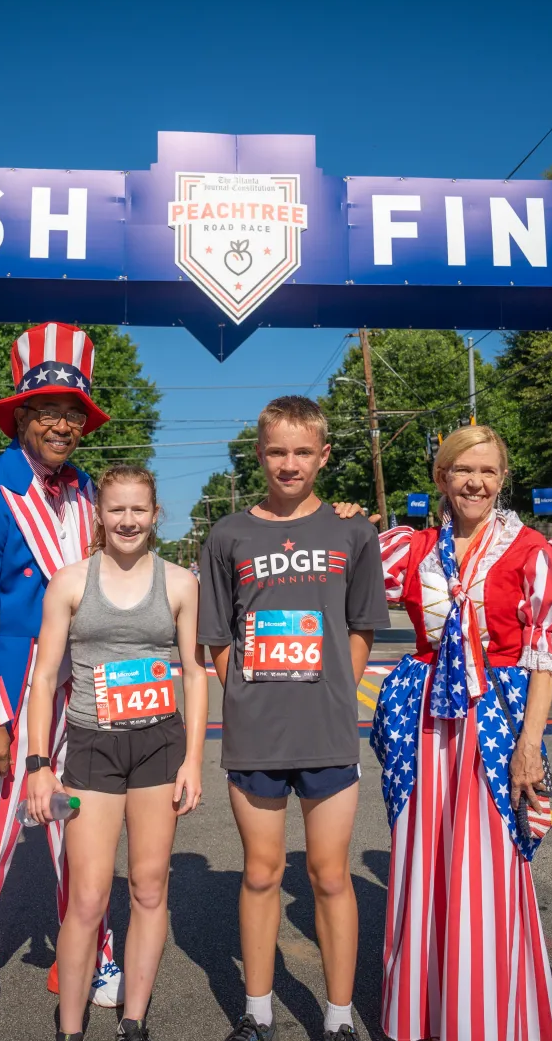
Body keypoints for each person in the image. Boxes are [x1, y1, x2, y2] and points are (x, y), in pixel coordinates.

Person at [0, 323, 124, 1041]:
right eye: (45, 408)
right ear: (19, 414)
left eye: (72, 410)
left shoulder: (88, 496)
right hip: (3, 706)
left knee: (82, 839)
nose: (60, 422)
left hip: (76, 703)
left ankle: (91, 951)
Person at [373, 425, 552, 1041]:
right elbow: (337, 582)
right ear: (442, 478)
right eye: (463, 470)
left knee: (491, 866)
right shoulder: (409, 549)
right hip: (423, 725)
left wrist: (529, 745)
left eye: (488, 471)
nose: (476, 482)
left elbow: (546, 656)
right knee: (423, 858)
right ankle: (424, 1015)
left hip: (497, 720)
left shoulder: (532, 551)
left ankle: (488, 1018)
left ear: (502, 480)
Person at [197, 396, 389, 1041]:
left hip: (328, 731)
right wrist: (250, 694)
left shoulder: (351, 531)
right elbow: (217, 637)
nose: (289, 463)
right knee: (260, 872)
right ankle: (257, 1012)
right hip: (255, 735)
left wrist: (335, 687)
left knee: (330, 875)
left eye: (303, 451)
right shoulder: (227, 535)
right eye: (277, 451)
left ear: (323, 456)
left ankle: (337, 1018)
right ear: (259, 454)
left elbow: (362, 626)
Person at [24, 465, 206, 1041]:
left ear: (156, 515)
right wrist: (37, 765)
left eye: (139, 510)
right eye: (116, 509)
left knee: (150, 886)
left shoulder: (179, 584)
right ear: (99, 515)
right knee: (88, 894)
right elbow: (45, 676)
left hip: (159, 748)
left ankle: (133, 1020)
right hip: (91, 750)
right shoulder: (71, 581)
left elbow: (196, 674)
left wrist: (194, 759)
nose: (128, 520)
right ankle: (70, 1028)